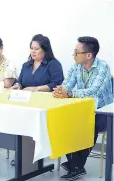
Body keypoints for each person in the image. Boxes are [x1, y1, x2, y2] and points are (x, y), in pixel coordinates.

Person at [53, 36, 113, 180]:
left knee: (88, 124)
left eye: (76, 52)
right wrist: (61, 90)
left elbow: (94, 92)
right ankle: (74, 162)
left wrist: (70, 93)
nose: (73, 56)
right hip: (80, 109)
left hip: (102, 111)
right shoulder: (76, 67)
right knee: (62, 121)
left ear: (88, 55)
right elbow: (67, 84)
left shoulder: (102, 67)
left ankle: (77, 166)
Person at [10, 34, 64, 166]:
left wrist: (37, 89)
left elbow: (56, 84)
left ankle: (33, 154)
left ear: (45, 50)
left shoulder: (53, 64)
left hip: (45, 105)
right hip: (26, 102)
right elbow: (20, 81)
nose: (33, 51)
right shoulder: (26, 65)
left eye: (36, 49)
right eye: (31, 48)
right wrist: (18, 86)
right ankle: (22, 153)